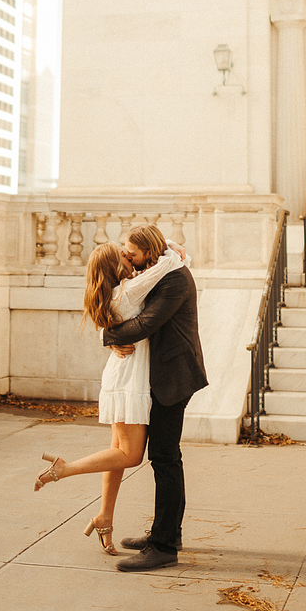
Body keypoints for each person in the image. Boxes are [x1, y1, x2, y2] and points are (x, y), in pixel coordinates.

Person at [33, 237, 185, 557]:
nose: (130, 257)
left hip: (122, 375)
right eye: (124, 256)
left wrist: (110, 338)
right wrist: (169, 247)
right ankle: (65, 468)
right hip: (129, 380)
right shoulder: (129, 291)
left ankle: (104, 517)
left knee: (118, 451)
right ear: (117, 267)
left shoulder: (115, 294)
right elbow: (170, 263)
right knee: (130, 456)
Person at [104, 224, 208, 573]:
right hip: (162, 373)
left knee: (165, 458)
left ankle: (163, 547)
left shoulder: (174, 279)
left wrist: (108, 334)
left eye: (131, 250)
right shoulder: (159, 269)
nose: (125, 255)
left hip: (173, 376)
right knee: (163, 458)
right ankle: (166, 533)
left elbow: (148, 323)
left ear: (148, 252)